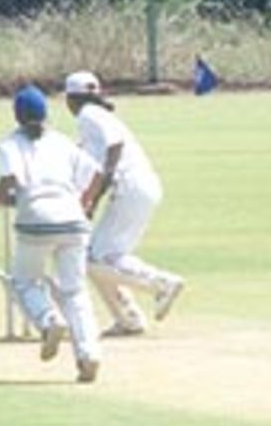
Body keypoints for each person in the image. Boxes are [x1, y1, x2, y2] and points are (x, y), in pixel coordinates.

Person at [0, 85, 104, 383]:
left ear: (17, 116)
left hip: (35, 219)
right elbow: (97, 174)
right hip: (73, 219)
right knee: (74, 291)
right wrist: (86, 202)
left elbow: (9, 182)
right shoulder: (63, 142)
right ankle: (89, 354)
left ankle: (48, 321)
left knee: (23, 282)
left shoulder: (9, 144)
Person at [63, 71, 185, 337]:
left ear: (70, 99)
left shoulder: (89, 115)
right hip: (137, 189)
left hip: (131, 189)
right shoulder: (97, 117)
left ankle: (162, 284)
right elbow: (88, 166)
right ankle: (128, 318)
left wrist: (93, 198)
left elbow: (113, 149)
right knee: (96, 256)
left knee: (98, 257)